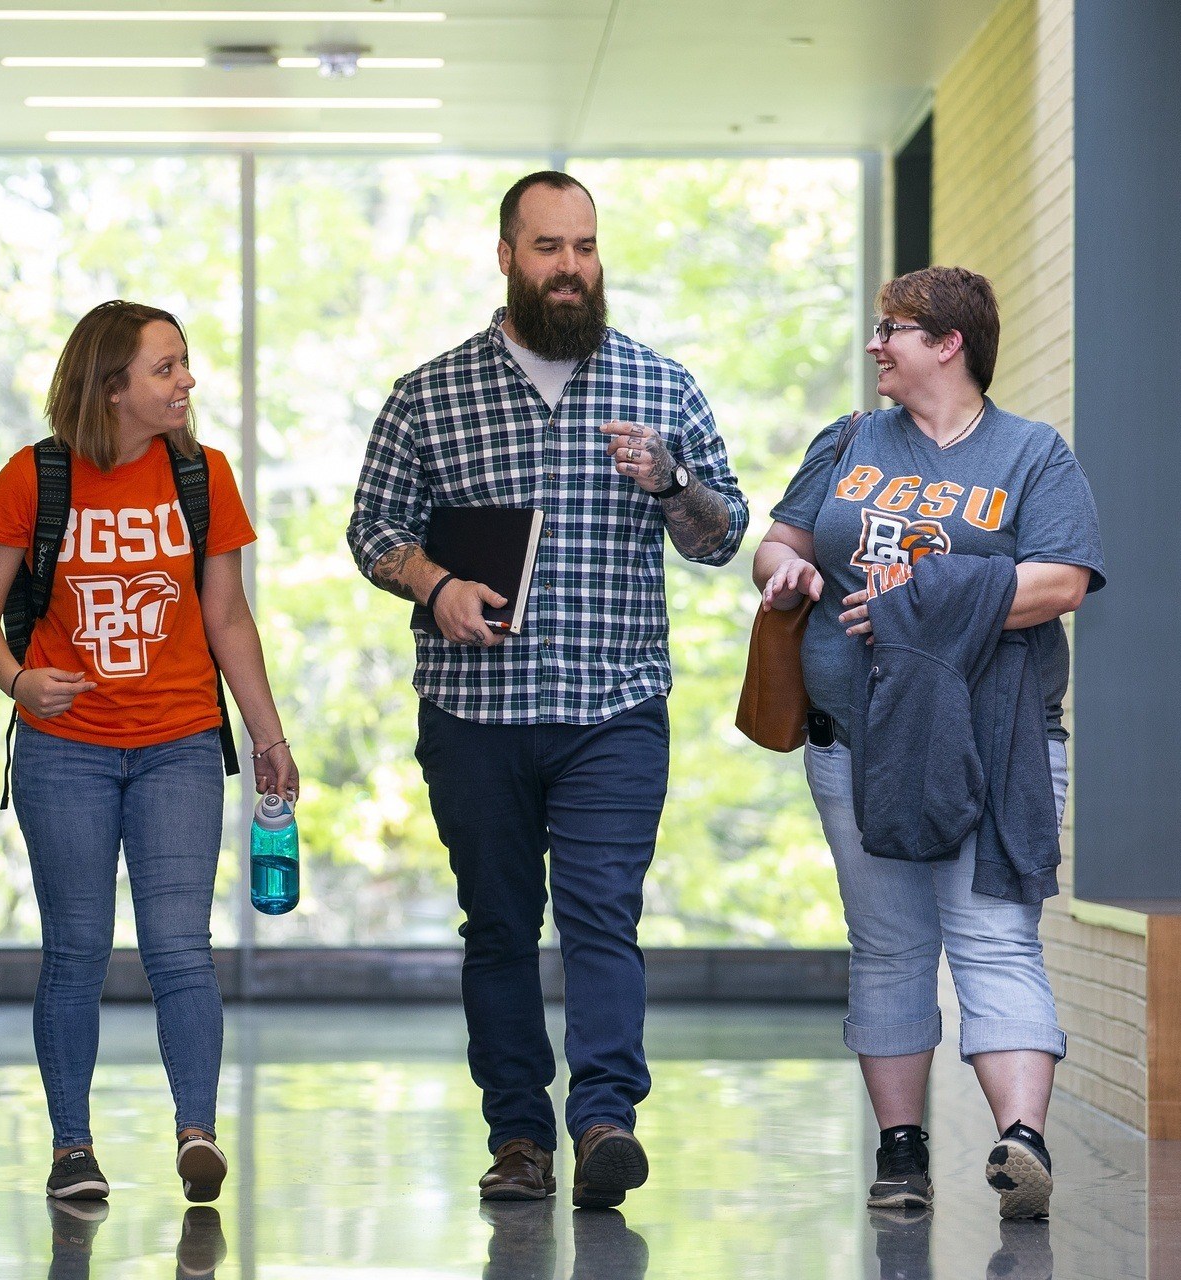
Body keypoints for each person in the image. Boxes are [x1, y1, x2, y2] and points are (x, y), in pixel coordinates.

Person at [346, 171, 748, 1208]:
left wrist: (671, 481)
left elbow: (722, 536)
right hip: (475, 715)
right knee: (498, 925)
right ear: (506, 257)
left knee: (603, 919)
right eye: (547, 248)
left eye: (584, 247)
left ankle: (607, 1119)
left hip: (614, 710)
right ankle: (519, 1134)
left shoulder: (661, 388)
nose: (570, 268)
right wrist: (433, 583)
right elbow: (373, 529)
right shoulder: (429, 393)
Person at [751, 265, 1105, 1220]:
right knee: (890, 948)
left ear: (949, 343)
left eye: (893, 329)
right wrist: (786, 572)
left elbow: (1062, 582)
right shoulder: (849, 441)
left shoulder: (1033, 455)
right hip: (852, 747)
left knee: (993, 939)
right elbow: (778, 541)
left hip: (999, 746)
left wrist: (919, 603)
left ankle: (1019, 1142)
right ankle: (901, 1152)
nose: (876, 345)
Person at [0, 299, 299, 1206]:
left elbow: (226, 617)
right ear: (113, 387)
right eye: (166, 368)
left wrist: (268, 734)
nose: (186, 381)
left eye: (184, 365)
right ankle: (73, 1147)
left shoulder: (204, 478)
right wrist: (18, 682)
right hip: (63, 750)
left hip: (180, 744)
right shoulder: (32, 480)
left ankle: (198, 1132)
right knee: (74, 949)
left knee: (181, 947)